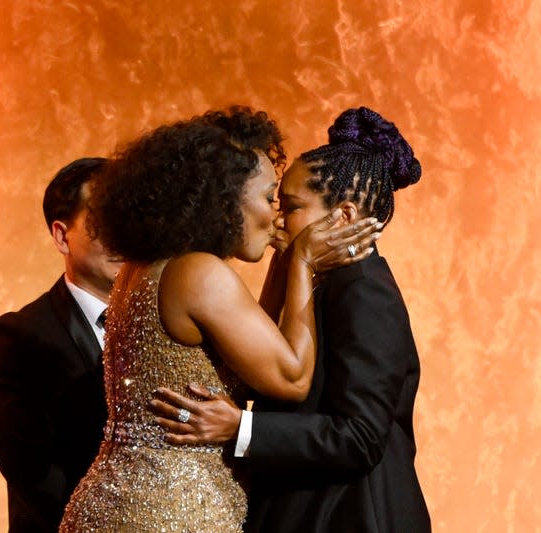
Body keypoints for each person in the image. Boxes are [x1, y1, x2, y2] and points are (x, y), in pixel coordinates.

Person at [58, 107, 380, 532]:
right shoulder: (199, 273)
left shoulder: (147, 267)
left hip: (115, 505)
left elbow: (247, 358)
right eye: (268, 198)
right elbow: (291, 375)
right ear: (225, 198)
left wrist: (283, 265)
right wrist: (302, 262)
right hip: (169, 514)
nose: (277, 217)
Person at [151, 106, 432, 532]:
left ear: (345, 216)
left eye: (292, 206)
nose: (279, 219)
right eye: (275, 202)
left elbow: (359, 437)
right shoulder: (325, 282)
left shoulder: (365, 291)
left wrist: (241, 428)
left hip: (351, 518)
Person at [0, 158, 122, 533]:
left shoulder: (169, 323)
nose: (122, 235)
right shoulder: (18, 337)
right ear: (62, 236)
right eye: (103, 219)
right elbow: (33, 473)